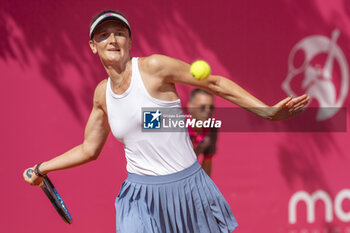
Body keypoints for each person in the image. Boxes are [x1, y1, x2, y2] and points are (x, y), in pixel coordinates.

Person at [23, 10, 310, 233]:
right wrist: (41, 168)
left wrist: (267, 111)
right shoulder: (102, 94)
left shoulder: (154, 67)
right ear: (92, 46)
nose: (112, 40)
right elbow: (89, 148)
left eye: (120, 33)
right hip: (139, 196)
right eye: (103, 35)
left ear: (130, 41)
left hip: (187, 189)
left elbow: (215, 83)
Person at [187, 88, 217, 177]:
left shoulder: (212, 129)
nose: (208, 111)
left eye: (211, 107)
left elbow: (207, 163)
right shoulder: (177, 129)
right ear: (190, 107)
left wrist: (206, 189)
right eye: (202, 107)